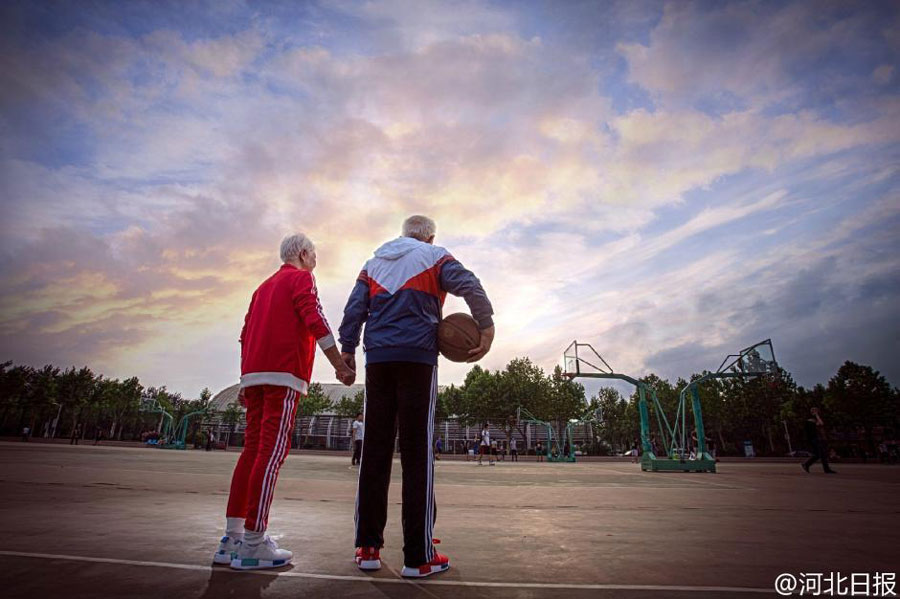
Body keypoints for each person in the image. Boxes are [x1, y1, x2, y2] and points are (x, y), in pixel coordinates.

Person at [339, 215, 494, 578]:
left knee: (375, 452)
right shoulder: (435, 256)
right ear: (430, 236)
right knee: (417, 453)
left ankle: (368, 548)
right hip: (418, 359)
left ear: (402, 234)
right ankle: (418, 556)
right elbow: (470, 286)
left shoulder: (373, 262)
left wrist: (348, 347)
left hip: (377, 360)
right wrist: (486, 327)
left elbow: (353, 309)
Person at [215, 233, 355, 570]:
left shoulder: (262, 287)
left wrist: (244, 379)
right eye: (315, 254)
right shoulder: (301, 278)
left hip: (255, 374)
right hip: (282, 374)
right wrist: (339, 364)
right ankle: (253, 542)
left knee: (251, 452)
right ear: (304, 254)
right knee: (270, 454)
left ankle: (231, 538)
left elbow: (245, 334)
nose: (316, 260)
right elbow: (315, 319)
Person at [802, 407, 837, 474]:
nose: (817, 412)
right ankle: (826, 469)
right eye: (815, 411)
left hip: (816, 439)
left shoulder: (814, 420)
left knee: (818, 455)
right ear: (811, 412)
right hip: (813, 440)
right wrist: (816, 415)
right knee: (822, 454)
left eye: (817, 411)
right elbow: (821, 424)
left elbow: (821, 423)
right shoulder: (809, 421)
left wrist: (817, 416)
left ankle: (806, 464)